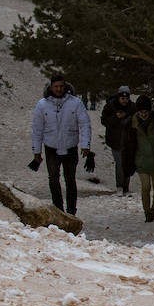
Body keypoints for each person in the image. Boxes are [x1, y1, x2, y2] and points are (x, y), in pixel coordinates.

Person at [30, 74, 93, 216]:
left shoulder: (75, 103)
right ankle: (58, 209)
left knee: (70, 179)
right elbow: (37, 129)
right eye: (56, 86)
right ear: (51, 87)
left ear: (65, 86)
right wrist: (36, 151)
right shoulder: (42, 105)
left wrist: (85, 145)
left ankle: (71, 212)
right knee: (53, 178)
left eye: (61, 86)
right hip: (51, 148)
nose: (59, 89)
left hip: (70, 147)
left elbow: (85, 124)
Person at [100, 85, 136, 195]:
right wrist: (116, 117)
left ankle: (126, 187)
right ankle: (120, 186)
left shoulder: (133, 107)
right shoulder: (110, 107)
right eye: (122, 98)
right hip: (115, 140)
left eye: (126, 98)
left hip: (129, 141)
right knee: (120, 163)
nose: (125, 101)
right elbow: (104, 121)